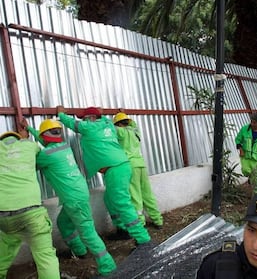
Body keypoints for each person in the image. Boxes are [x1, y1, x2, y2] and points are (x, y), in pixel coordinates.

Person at [22, 118, 117, 276]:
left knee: (87, 232)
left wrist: (25, 140)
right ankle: (80, 251)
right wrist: (30, 129)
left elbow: (31, 160)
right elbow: (45, 141)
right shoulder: (63, 146)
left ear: (45, 136)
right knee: (64, 223)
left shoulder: (46, 155)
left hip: (73, 198)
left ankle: (108, 266)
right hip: (78, 193)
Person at [57, 105, 151, 245]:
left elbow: (72, 123)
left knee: (122, 203)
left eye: (86, 119)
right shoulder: (107, 123)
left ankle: (143, 239)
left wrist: (61, 113)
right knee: (109, 199)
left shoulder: (89, 127)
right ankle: (122, 229)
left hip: (115, 170)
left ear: (93, 118)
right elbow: (100, 116)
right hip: (122, 166)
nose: (84, 121)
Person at [0, 129, 60, 279]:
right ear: (18, 139)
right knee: (45, 257)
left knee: (6, 246)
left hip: (3, 214)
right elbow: (44, 151)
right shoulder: (29, 145)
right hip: (31, 212)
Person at [113, 112, 163, 228]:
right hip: (141, 164)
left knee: (135, 195)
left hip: (130, 165)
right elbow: (133, 124)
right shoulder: (135, 132)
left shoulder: (120, 131)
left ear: (118, 124)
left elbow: (112, 128)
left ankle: (141, 223)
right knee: (147, 193)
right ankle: (158, 220)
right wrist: (123, 114)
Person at [235, 113, 257, 194]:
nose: (252, 124)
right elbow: (238, 139)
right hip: (246, 157)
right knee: (246, 171)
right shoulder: (244, 129)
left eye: (254, 122)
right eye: (251, 121)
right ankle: (250, 178)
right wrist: (240, 149)